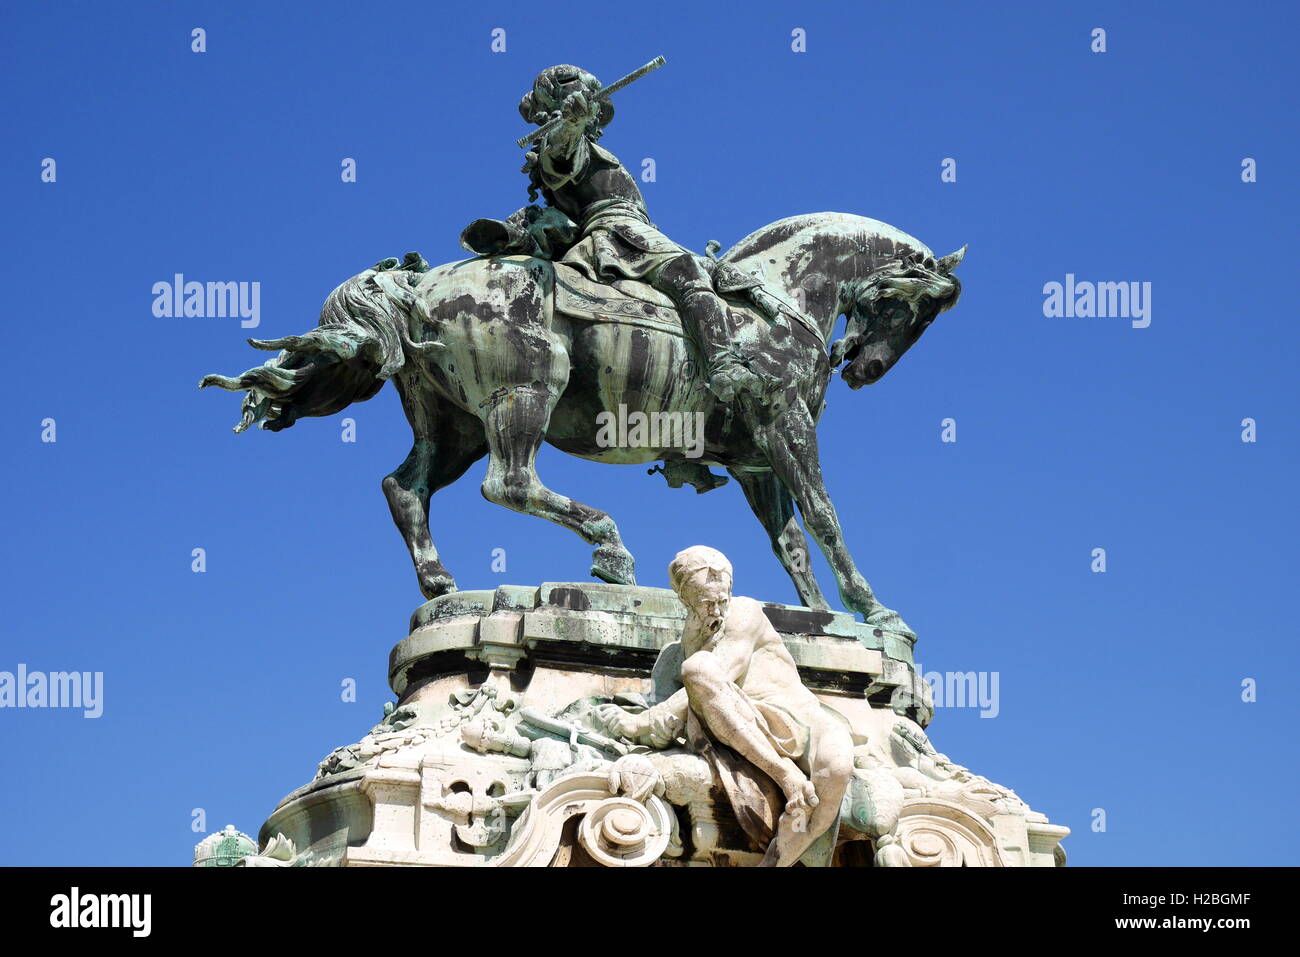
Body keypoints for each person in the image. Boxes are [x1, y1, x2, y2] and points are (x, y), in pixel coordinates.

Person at [517, 65, 763, 403]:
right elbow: (560, 156)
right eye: (590, 110)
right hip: (619, 233)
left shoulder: (591, 148)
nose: (595, 119)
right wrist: (569, 124)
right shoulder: (564, 145)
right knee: (688, 273)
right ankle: (723, 364)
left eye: (593, 113)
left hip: (635, 230)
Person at [595, 545, 854, 866]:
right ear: (685, 600)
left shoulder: (744, 612)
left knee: (838, 767)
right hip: (744, 728)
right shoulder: (676, 656)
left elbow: (719, 671)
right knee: (696, 668)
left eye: (722, 600)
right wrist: (636, 723)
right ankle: (785, 777)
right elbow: (669, 716)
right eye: (706, 604)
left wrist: (639, 723)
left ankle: (785, 851)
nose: (717, 611)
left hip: (801, 723)